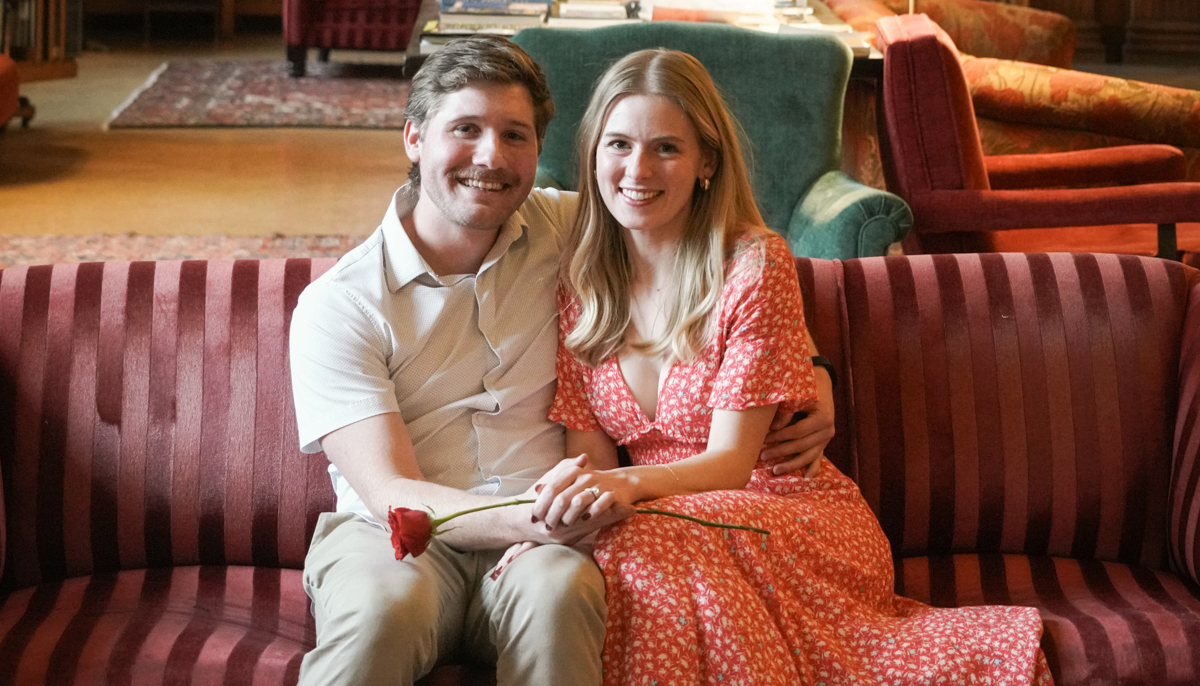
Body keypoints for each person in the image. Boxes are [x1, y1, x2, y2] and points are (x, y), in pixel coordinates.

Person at [288, 36, 835, 686]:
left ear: (538, 152)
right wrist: (538, 520)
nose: (491, 157)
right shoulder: (340, 304)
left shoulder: (575, 232)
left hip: (548, 540)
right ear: (414, 137)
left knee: (558, 601)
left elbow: (710, 265)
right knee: (384, 611)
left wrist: (811, 369)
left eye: (514, 135)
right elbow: (390, 494)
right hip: (402, 536)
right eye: (466, 129)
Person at [537, 48, 1055, 685]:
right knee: (610, 552)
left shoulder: (753, 264)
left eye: (666, 148)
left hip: (785, 511)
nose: (637, 169)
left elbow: (731, 464)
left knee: (640, 544)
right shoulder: (581, 281)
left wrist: (626, 492)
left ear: (707, 163)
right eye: (618, 144)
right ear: (592, 154)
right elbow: (589, 457)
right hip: (666, 524)